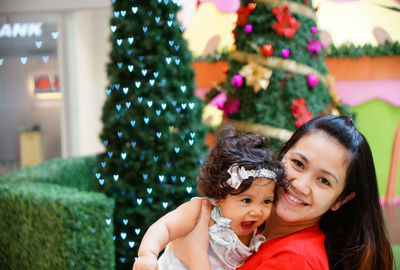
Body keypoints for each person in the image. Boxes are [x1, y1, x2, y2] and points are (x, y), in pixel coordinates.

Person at [171, 115, 394, 270]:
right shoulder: (252, 220)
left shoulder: (297, 260)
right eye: (298, 163)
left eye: (324, 181)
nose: (300, 184)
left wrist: (196, 257)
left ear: (341, 199)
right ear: (283, 153)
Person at [133, 128, 285, 270]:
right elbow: (165, 227)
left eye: (266, 201)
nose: (257, 211)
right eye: (247, 200)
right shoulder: (200, 211)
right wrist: (148, 254)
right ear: (219, 195)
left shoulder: (256, 233)